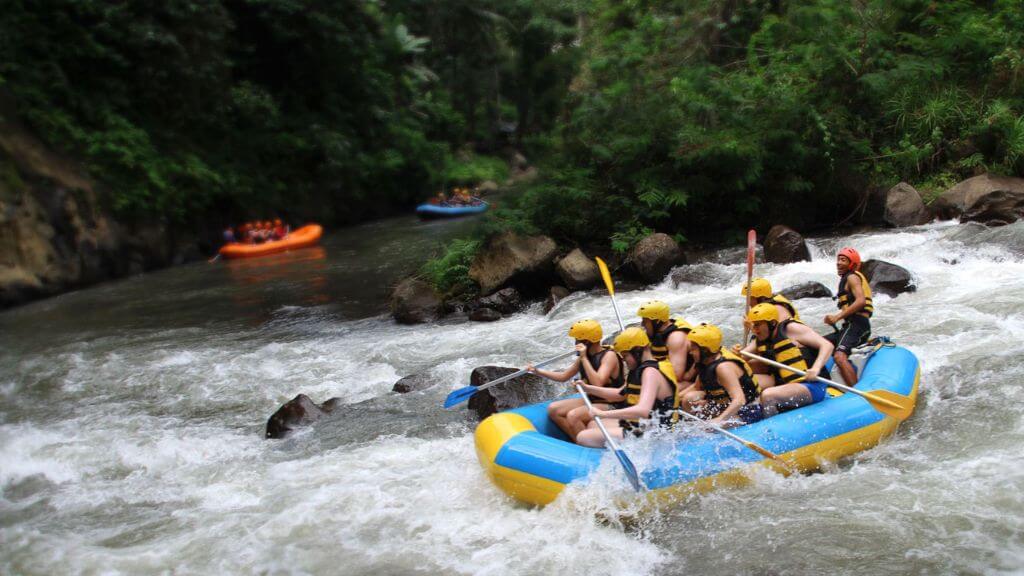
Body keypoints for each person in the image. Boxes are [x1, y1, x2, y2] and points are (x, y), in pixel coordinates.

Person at [576, 327, 679, 447]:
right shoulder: (640, 369)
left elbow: (643, 411)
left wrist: (603, 414)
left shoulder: (650, 372)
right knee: (592, 425)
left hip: (655, 433)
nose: (624, 361)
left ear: (637, 351)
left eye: (625, 356)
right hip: (644, 425)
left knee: (582, 437)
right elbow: (619, 394)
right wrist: (587, 388)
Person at [528, 320, 623, 440]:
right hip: (593, 400)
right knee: (554, 409)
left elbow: (598, 383)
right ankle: (578, 441)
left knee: (573, 415)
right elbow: (564, 376)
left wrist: (584, 358)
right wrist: (538, 371)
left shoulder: (609, 356)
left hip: (612, 403)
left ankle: (589, 446)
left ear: (587, 341)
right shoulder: (585, 357)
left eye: (578, 340)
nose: (576, 343)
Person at [740, 304, 835, 417]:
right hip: (785, 384)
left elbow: (827, 345)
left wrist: (816, 368)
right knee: (745, 382)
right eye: (753, 325)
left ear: (772, 323)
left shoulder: (791, 329)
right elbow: (740, 360)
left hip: (811, 386)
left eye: (758, 325)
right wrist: (735, 353)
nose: (754, 330)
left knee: (768, 395)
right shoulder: (761, 339)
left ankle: (771, 427)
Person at [680, 323, 762, 427]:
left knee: (706, 429)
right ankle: (693, 426)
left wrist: (719, 420)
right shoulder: (705, 363)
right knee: (688, 399)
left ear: (705, 350)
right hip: (723, 404)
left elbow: (739, 400)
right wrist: (674, 401)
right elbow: (696, 387)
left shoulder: (723, 368)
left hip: (748, 411)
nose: (690, 352)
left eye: (693, 348)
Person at [823, 247, 873, 386]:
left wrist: (837, 317)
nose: (838, 263)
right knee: (821, 344)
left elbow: (861, 301)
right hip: (850, 325)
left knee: (839, 356)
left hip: (858, 324)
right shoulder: (846, 279)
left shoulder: (852, 277)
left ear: (852, 264)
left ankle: (857, 393)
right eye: (838, 259)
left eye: (843, 260)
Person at [637, 301, 692, 383]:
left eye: (645, 321)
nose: (642, 324)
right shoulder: (656, 333)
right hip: (666, 378)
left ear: (657, 321)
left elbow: (676, 376)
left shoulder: (676, 338)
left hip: (686, 382)